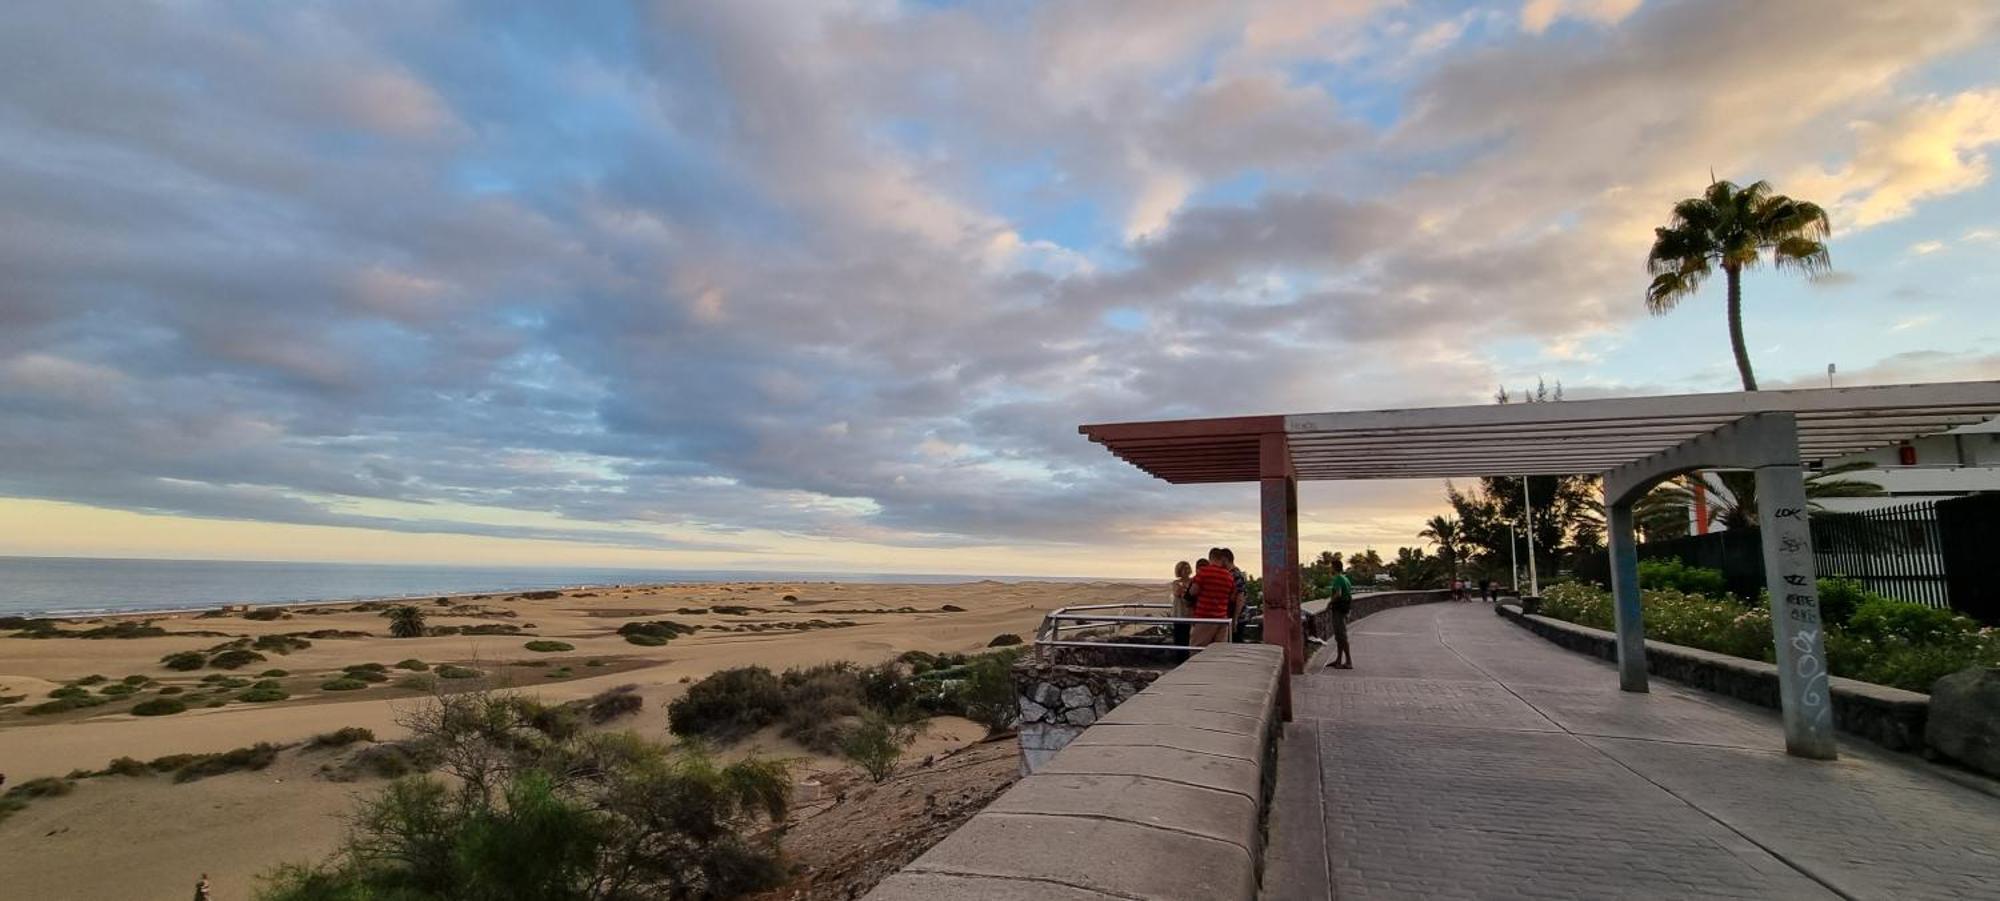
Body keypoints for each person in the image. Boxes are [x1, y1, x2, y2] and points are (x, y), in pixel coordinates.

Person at [1188, 548, 1238, 648]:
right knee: (1218, 650)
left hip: (1204, 617)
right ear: (1221, 559)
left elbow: (1193, 592)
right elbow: (1232, 596)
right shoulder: (1229, 576)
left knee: (1197, 648)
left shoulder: (1204, 572)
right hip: (1222, 618)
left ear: (1211, 558)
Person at [1328, 556, 1354, 669]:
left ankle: (1348, 661)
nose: (1330, 569)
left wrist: (1330, 602)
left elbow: (1338, 594)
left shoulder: (1338, 579)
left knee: (1341, 635)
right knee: (1339, 636)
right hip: (1344, 608)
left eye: (1331, 567)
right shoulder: (1345, 578)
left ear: (1334, 568)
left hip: (1339, 609)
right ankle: (1338, 660)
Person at [1169, 560, 1195, 653]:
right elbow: (1178, 593)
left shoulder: (1193, 581)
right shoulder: (1176, 582)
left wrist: (1184, 591)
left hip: (1190, 615)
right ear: (1179, 570)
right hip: (1179, 615)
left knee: (1190, 638)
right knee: (1179, 638)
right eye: (1184, 568)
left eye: (1188, 568)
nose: (1186, 570)